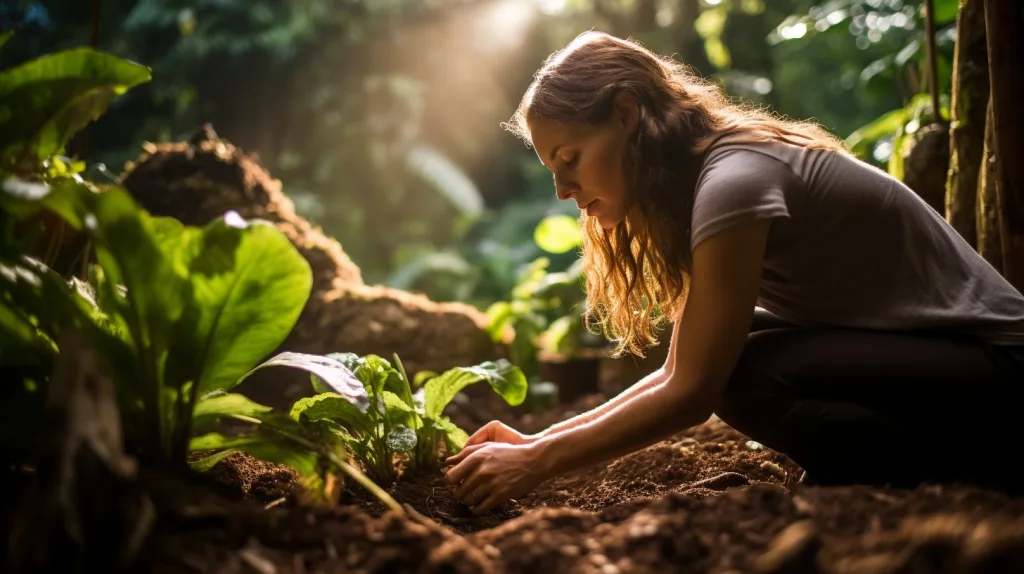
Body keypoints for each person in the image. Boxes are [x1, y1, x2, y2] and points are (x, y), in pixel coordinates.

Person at [443, 31, 1024, 514]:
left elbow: (691, 392)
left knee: (744, 375)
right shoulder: (706, 180)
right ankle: (912, 471)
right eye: (552, 169)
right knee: (738, 348)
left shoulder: (734, 181)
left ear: (625, 114)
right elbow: (678, 367)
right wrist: (539, 442)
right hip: (958, 365)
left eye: (569, 159)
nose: (563, 189)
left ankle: (941, 477)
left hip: (999, 368)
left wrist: (538, 465)